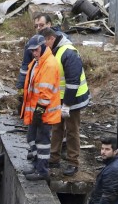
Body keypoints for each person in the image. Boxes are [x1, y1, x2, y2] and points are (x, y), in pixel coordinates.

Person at [46, 31, 90, 177]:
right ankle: (54, 158)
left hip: (73, 99)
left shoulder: (69, 53)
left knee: (72, 130)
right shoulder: (55, 50)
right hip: (59, 98)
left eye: (45, 42)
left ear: (51, 39)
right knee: (57, 127)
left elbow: (73, 82)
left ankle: (73, 162)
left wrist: (67, 105)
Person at [22, 28, 62, 181]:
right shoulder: (38, 63)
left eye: (36, 50)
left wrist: (39, 111)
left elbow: (45, 92)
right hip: (36, 111)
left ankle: (42, 170)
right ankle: (36, 164)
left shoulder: (49, 65)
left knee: (42, 142)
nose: (34, 53)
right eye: (32, 51)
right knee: (31, 138)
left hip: (44, 113)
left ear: (43, 46)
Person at [15, 13, 70, 92]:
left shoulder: (61, 40)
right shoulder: (31, 44)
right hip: (41, 85)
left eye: (41, 25)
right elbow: (25, 66)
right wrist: (21, 87)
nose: (38, 28)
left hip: (59, 88)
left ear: (49, 24)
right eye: (36, 26)